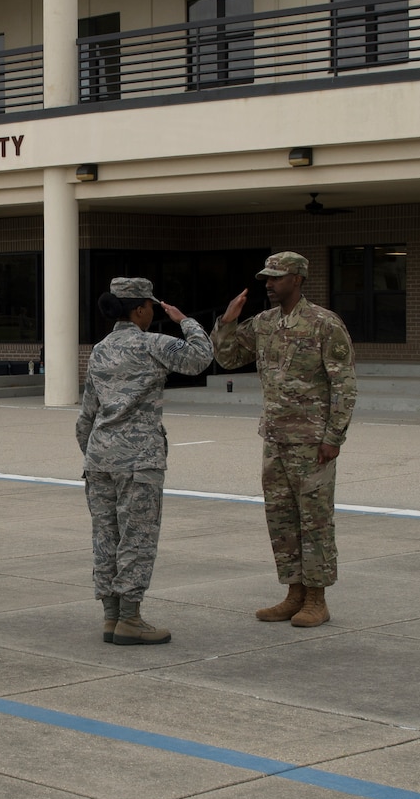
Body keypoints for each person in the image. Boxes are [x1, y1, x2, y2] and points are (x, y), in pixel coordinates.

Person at [212, 251, 358, 627]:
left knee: (315, 521)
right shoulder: (263, 324)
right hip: (275, 439)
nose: (269, 284)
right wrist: (227, 322)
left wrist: (333, 436)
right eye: (266, 278)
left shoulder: (324, 324)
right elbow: (227, 358)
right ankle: (293, 592)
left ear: (298, 278)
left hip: (313, 443)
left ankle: (316, 599)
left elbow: (343, 383)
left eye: (277, 277)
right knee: (281, 519)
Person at [75, 277, 212, 645]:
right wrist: (186, 321)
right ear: (139, 309)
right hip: (139, 461)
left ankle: (111, 617)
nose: (153, 311)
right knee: (137, 539)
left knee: (105, 538)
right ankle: (131, 619)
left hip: (99, 458)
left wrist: (95, 453)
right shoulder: (153, 343)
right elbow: (201, 357)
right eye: (150, 306)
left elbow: (86, 415)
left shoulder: (100, 349)